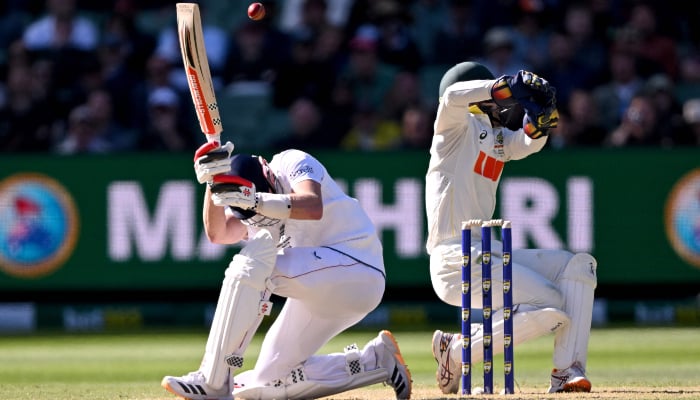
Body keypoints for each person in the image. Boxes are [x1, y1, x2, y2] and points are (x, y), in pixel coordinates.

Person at [161, 141, 411, 400]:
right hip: (320, 293)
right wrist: (212, 183)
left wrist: (256, 200)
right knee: (267, 383)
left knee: (252, 264)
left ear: (267, 172)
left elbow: (313, 205)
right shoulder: (253, 212)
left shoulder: (291, 161)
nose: (259, 220)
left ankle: (213, 380)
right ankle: (377, 361)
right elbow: (218, 233)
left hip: (358, 269)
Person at [426, 61, 597, 394]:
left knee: (577, 266)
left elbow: (526, 143)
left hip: (486, 250)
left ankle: (567, 370)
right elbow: (451, 96)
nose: (503, 104)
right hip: (452, 259)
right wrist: (505, 85)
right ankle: (458, 352)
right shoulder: (451, 130)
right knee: (550, 301)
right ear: (478, 99)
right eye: (494, 98)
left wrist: (541, 121)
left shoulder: (496, 138)